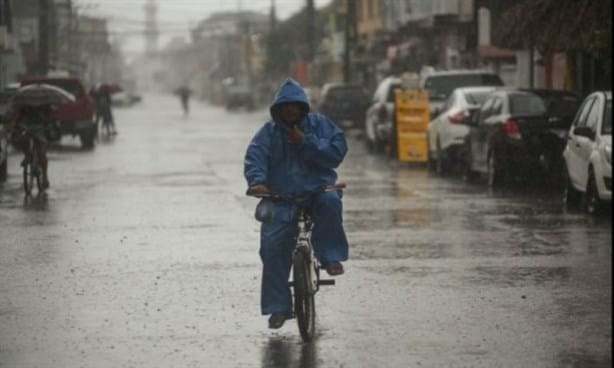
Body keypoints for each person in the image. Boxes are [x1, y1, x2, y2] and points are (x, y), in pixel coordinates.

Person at [244, 77, 349, 329]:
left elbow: (336, 153)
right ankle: (278, 307)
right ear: (278, 108)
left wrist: (305, 142)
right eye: (285, 106)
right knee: (272, 247)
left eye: (295, 105)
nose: (290, 110)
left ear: (302, 107)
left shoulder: (320, 125)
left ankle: (331, 257)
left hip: (317, 192)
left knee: (330, 202)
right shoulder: (268, 133)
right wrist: (257, 182)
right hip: (281, 199)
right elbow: (255, 158)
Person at [10, 104, 53, 189]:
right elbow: (18, 113)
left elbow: (50, 114)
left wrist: (46, 117)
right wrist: (15, 123)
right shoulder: (25, 100)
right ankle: (27, 155)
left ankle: (44, 176)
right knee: (22, 139)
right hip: (25, 125)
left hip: (40, 127)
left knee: (41, 153)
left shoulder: (44, 101)